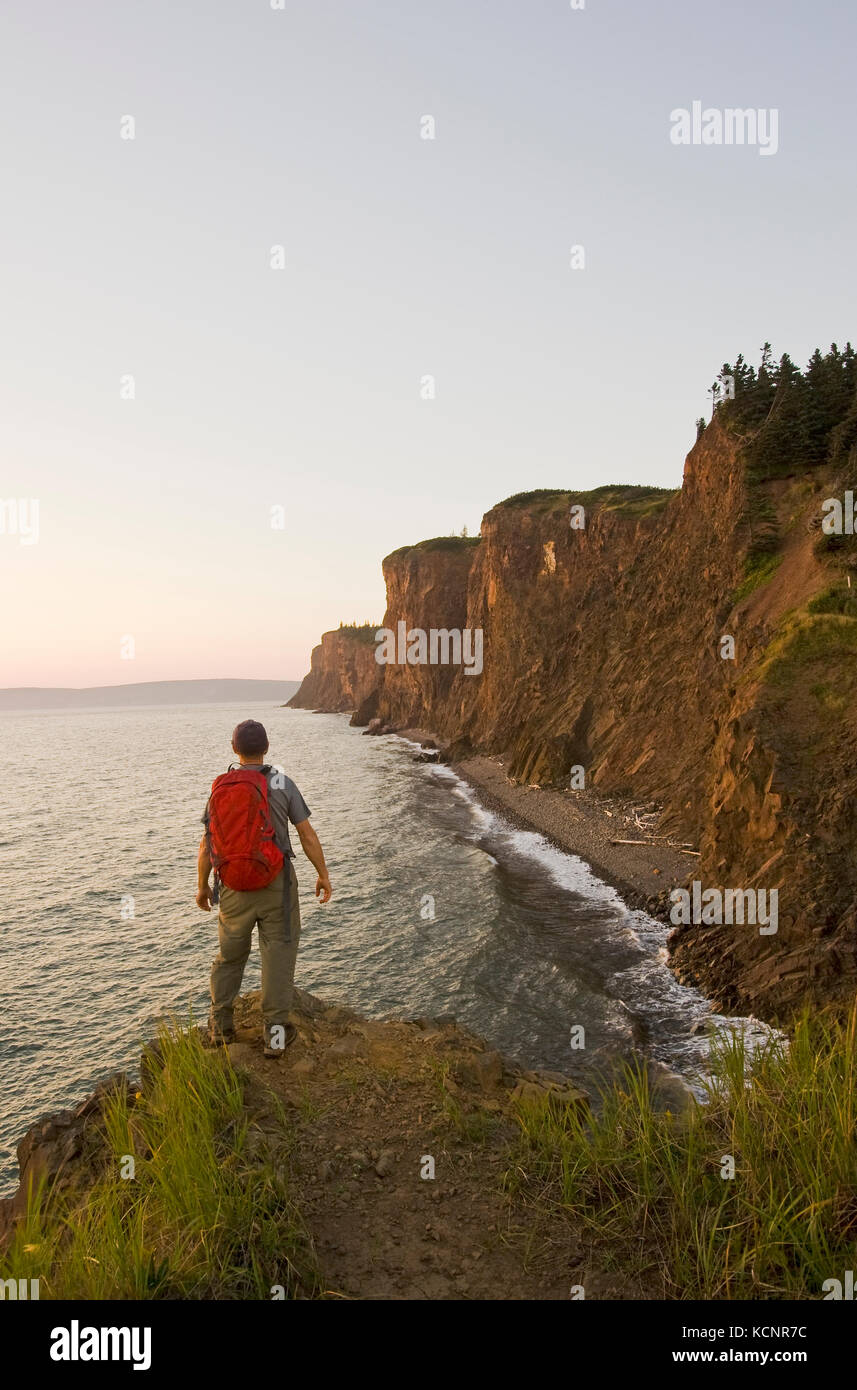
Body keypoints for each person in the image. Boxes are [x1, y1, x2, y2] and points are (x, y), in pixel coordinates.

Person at [196, 719, 332, 1057]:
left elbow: (206, 843)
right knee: (277, 955)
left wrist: (202, 887)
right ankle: (274, 1038)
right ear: (266, 748)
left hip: (231, 888)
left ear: (234, 749)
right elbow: (305, 833)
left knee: (229, 957)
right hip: (276, 884)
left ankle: (220, 1028)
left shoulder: (221, 786)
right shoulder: (281, 781)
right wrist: (323, 874)